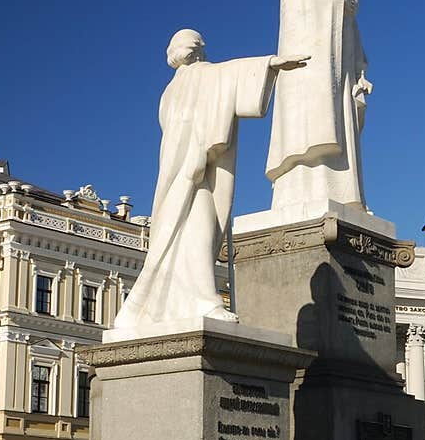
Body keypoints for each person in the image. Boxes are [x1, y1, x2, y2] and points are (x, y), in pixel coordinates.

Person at [108, 29, 307, 341]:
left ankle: (164, 304)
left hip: (177, 171)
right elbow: (231, 75)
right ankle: (204, 299)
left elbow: (226, 79)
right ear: (198, 51)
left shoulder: (170, 92)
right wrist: (272, 63)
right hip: (193, 172)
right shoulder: (201, 76)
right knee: (199, 231)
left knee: (178, 236)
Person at [265, 0, 373, 214]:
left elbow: (352, 34)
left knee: (341, 133)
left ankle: (345, 197)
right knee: (311, 133)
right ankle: (300, 194)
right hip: (310, 74)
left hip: (341, 74)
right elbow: (298, 18)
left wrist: (359, 70)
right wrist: (340, 2)